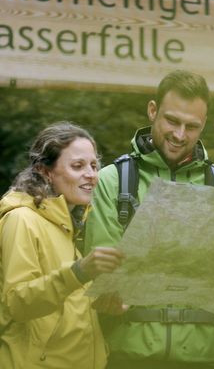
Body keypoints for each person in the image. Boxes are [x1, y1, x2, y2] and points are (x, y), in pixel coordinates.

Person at [84, 70, 214, 369]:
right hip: (129, 355)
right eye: (172, 120)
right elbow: (104, 274)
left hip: (205, 356)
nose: (180, 135)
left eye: (192, 126)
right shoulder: (112, 181)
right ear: (152, 110)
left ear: (203, 124)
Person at [0, 121, 124, 369]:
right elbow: (16, 303)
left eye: (93, 165)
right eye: (78, 166)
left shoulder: (69, 225)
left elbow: (62, 306)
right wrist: (79, 272)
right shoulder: (21, 219)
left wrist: (101, 305)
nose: (91, 174)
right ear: (45, 172)